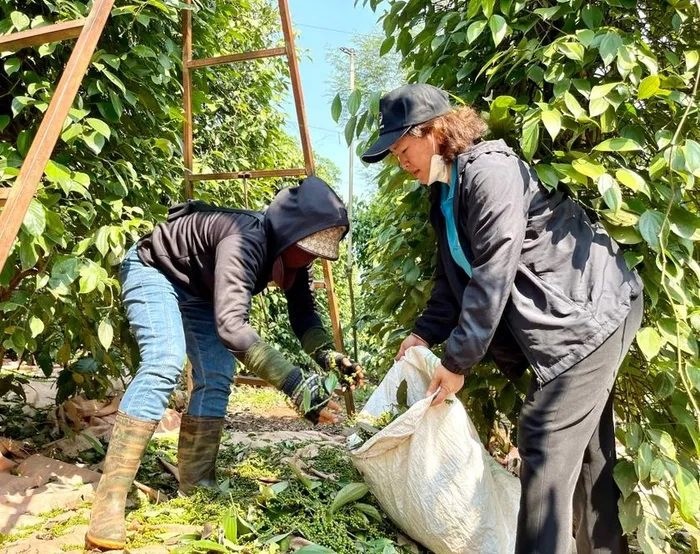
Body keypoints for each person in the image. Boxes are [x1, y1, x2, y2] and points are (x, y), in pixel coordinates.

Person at [361, 83, 643, 554]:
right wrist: (422, 335)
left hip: (590, 313)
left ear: (432, 131)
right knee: (590, 455)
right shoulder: (444, 196)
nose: (401, 161)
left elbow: (493, 271)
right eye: (393, 154)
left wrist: (457, 363)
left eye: (403, 148)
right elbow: (450, 283)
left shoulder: (490, 170)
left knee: (544, 436)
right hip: (573, 321)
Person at [85, 176, 363, 551]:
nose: (312, 256)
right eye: (309, 248)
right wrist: (294, 384)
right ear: (289, 233)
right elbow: (232, 326)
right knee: (164, 362)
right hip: (155, 271)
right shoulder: (245, 238)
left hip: (199, 291)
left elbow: (305, 318)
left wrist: (329, 355)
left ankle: (197, 482)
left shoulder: (291, 258)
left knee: (216, 374)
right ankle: (110, 500)